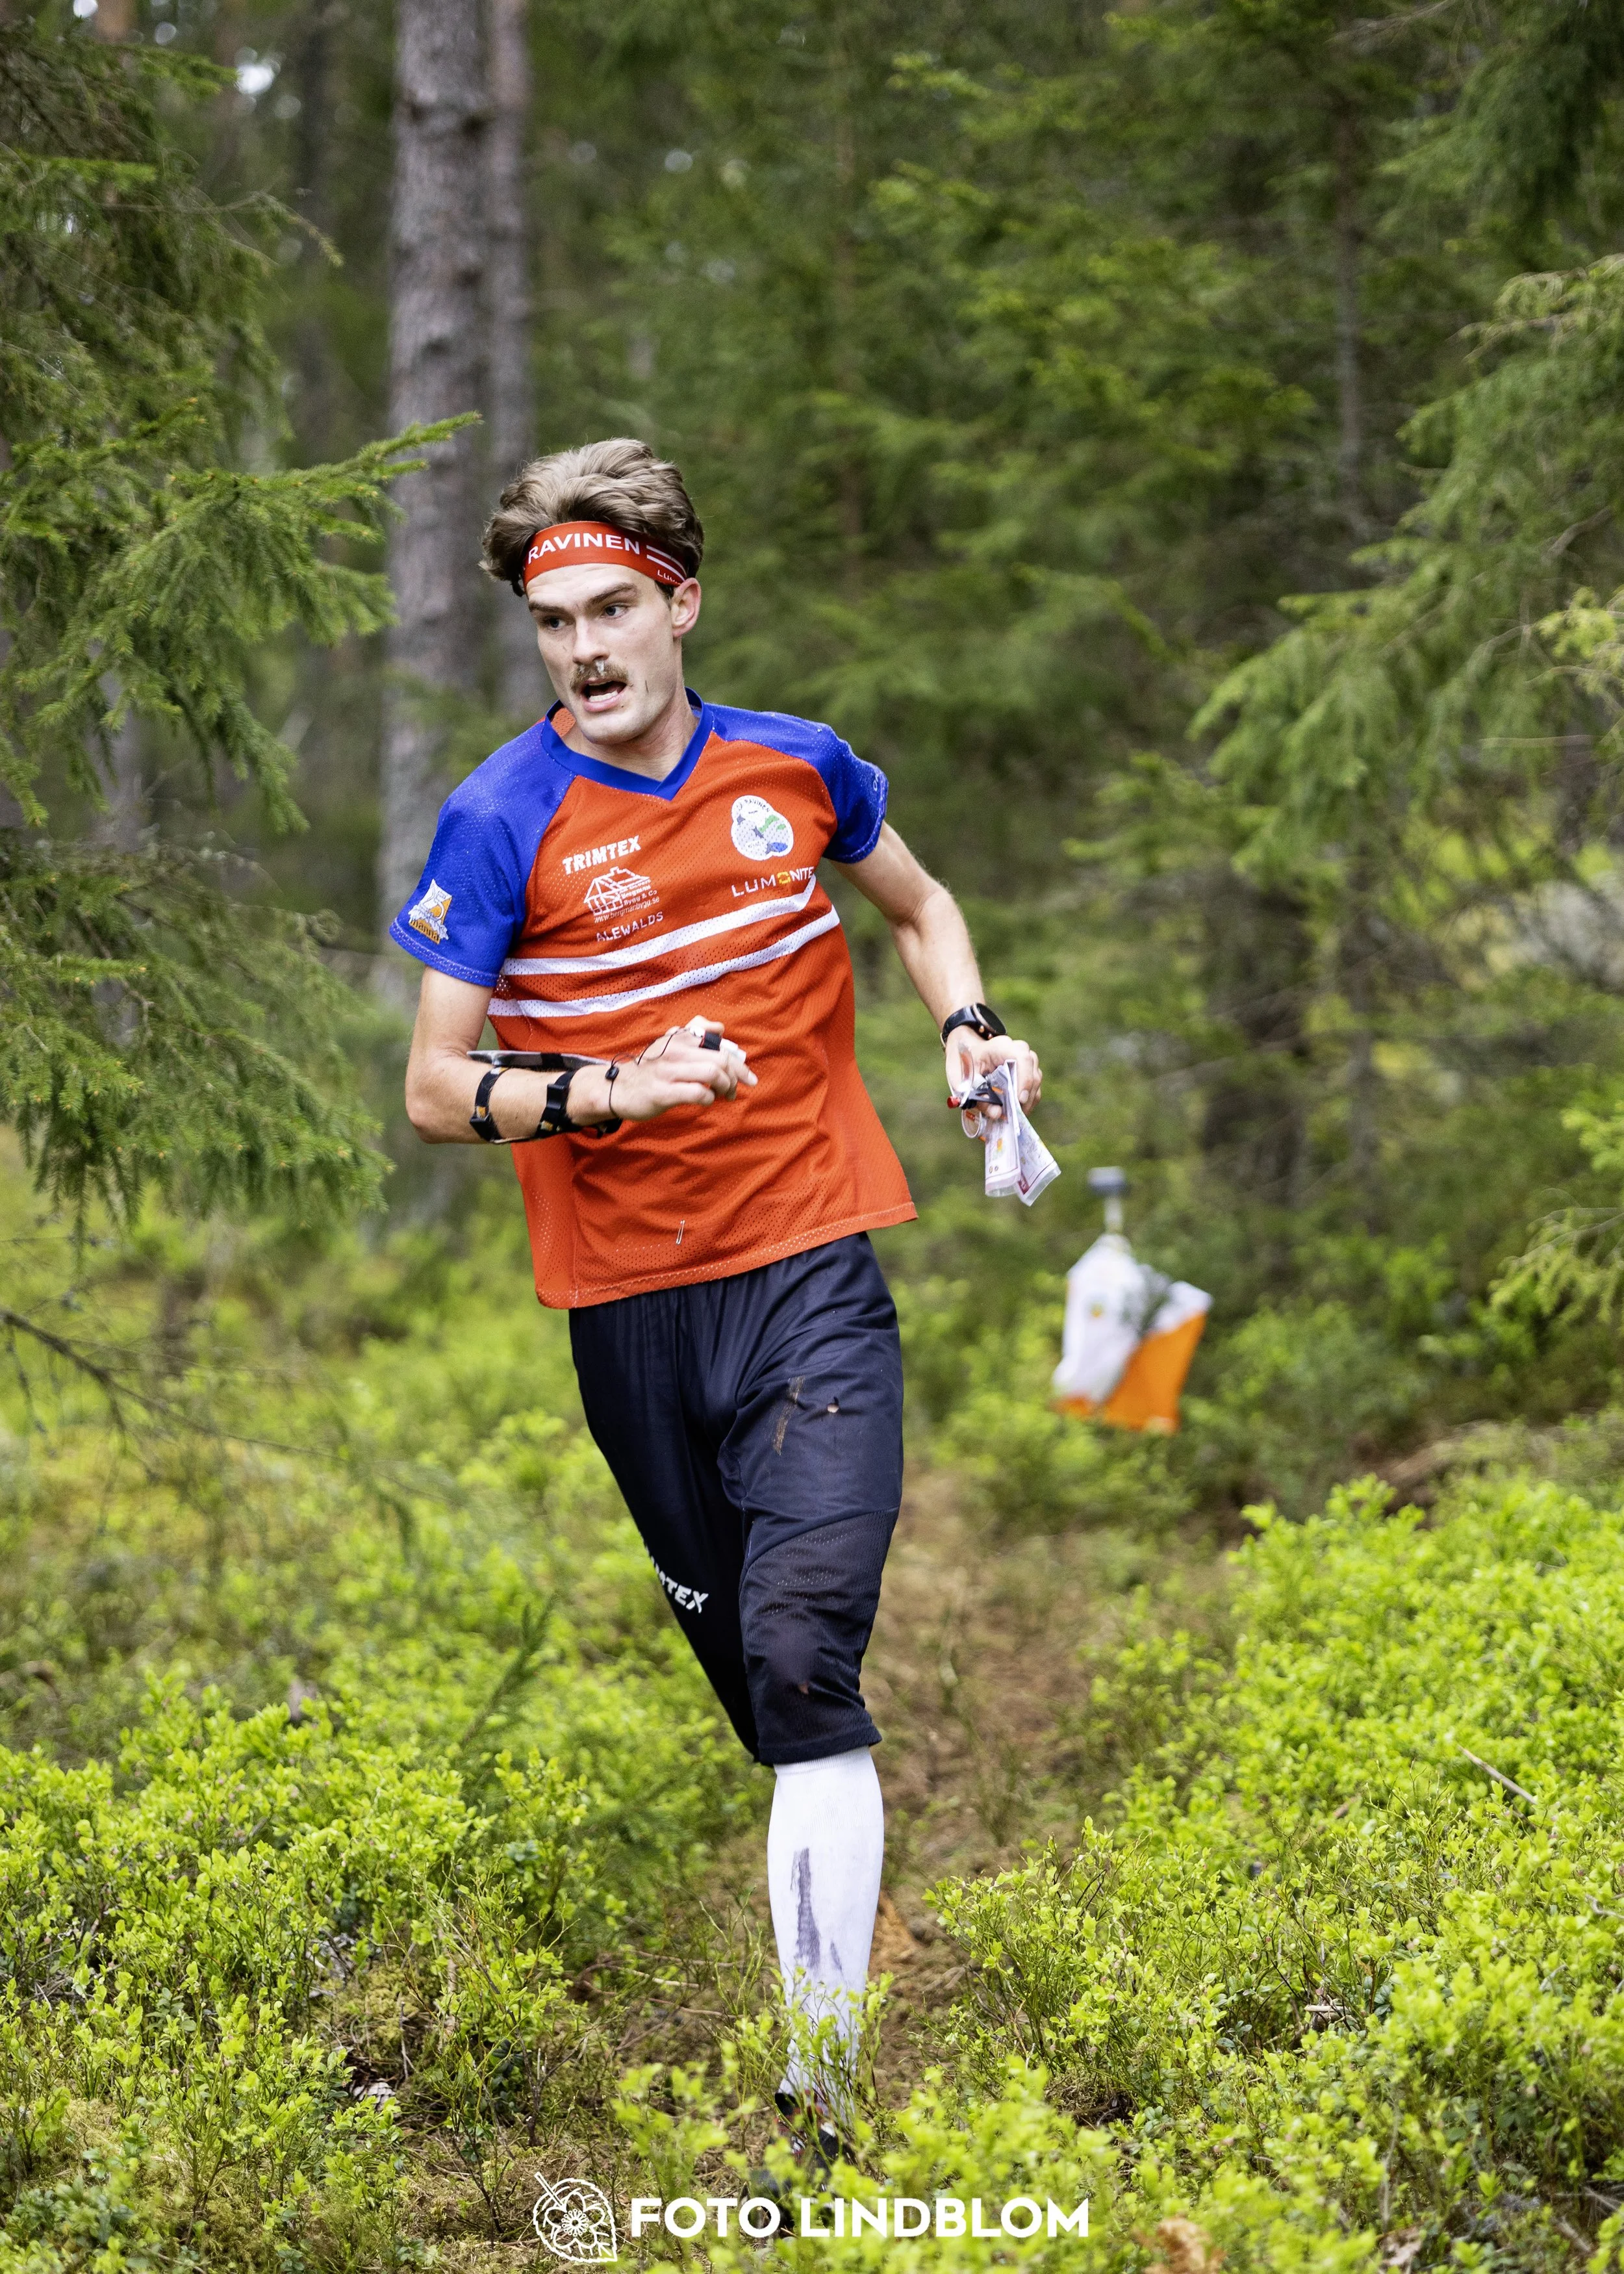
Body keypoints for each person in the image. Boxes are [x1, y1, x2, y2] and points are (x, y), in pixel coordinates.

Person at [394, 436, 1041, 2152]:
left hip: (810, 1265)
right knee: (761, 1703)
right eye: (554, 625)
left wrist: (972, 1031)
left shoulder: (795, 768)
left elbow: (922, 908)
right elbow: (435, 1090)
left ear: (679, 606)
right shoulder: (501, 815)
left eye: (613, 610)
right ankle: (825, 1982)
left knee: (804, 1657)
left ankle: (823, 2091)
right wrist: (612, 1089)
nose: (585, 650)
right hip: (628, 1309)